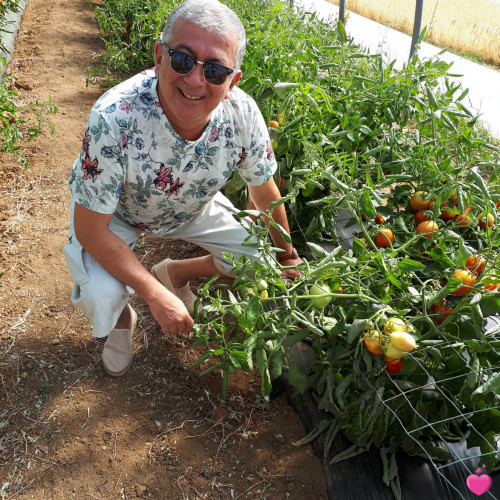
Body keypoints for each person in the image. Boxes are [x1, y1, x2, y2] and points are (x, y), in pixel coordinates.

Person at [64, 0, 303, 377]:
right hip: (118, 215)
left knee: (264, 260)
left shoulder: (242, 115)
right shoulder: (114, 117)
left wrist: (287, 255)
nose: (195, 80)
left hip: (193, 207)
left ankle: (175, 272)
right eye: (182, 60)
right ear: (160, 56)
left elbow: (263, 189)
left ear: (231, 82)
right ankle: (123, 318)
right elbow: (89, 229)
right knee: (102, 294)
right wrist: (152, 297)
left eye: (215, 70)